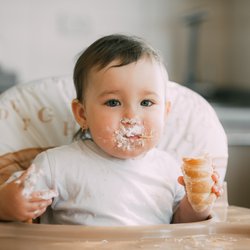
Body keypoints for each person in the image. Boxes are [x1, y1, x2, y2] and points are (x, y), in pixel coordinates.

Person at [0, 34, 221, 225]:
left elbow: (182, 227)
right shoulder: (55, 166)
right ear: (82, 114)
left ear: (165, 112)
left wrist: (197, 204)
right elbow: (13, 202)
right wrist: (8, 204)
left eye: (146, 103)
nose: (132, 117)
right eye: (113, 102)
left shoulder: (171, 170)